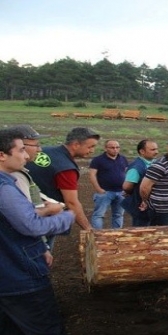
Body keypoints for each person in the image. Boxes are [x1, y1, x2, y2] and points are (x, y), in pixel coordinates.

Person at [0, 128, 75, 335]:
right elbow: (30, 225)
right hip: (19, 274)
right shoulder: (4, 186)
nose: (26, 155)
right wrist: (65, 217)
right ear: (2, 155)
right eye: (21, 150)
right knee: (45, 327)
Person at [7, 125, 66, 267]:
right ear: (20, 146)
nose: (40, 150)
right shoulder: (15, 176)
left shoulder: (20, 172)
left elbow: (35, 194)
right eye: (36, 145)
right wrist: (42, 247)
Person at [27, 127, 100, 233]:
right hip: (44, 218)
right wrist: (88, 228)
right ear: (76, 145)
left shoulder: (45, 150)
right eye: (90, 146)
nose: (92, 150)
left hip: (22, 210)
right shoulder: (66, 169)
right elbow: (71, 202)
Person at [88, 140, 128, 229]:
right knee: (99, 215)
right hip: (105, 192)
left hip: (121, 192)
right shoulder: (98, 160)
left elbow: (126, 173)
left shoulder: (123, 159)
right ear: (105, 148)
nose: (115, 150)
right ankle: (97, 236)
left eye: (117, 147)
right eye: (112, 147)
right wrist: (99, 189)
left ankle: (116, 235)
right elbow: (92, 175)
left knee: (118, 215)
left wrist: (126, 189)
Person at [122, 139, 159, 227]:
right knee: (141, 232)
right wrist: (132, 193)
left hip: (152, 206)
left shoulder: (154, 163)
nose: (156, 152)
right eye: (153, 150)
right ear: (142, 151)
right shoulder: (136, 167)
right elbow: (127, 186)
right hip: (141, 207)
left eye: (156, 149)